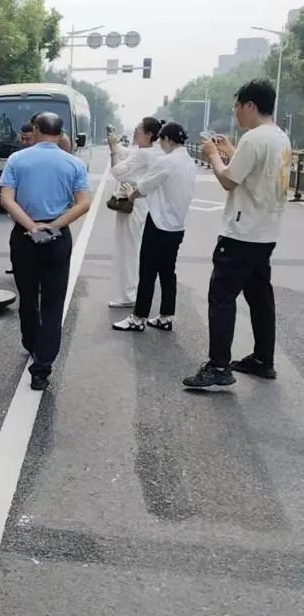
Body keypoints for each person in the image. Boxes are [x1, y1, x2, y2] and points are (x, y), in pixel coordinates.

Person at [183, 79, 292, 390]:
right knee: (260, 297)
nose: (236, 113)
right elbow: (255, 172)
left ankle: (219, 366)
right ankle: (263, 359)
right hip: (266, 232)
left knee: (221, 296)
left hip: (242, 233)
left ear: (250, 106)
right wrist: (231, 150)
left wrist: (212, 155)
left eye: (237, 107)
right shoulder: (279, 137)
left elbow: (229, 180)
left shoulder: (254, 139)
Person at [0, 112, 91, 390]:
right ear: (60, 133)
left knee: (28, 297)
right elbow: (83, 203)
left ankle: (32, 343)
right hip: (57, 236)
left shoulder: (17, 159)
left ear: (37, 129)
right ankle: (42, 368)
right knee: (52, 303)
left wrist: (32, 227)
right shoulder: (74, 163)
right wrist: (52, 227)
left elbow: (6, 199)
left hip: (24, 236)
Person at [113, 123, 196, 333]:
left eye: (161, 140)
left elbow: (144, 186)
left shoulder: (167, 161)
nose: (161, 144)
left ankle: (138, 318)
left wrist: (131, 194)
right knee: (168, 272)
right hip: (177, 225)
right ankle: (165, 316)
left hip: (159, 223)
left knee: (147, 271)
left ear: (167, 139)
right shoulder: (189, 161)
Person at [107, 118, 164, 307]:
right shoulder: (151, 151)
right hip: (142, 204)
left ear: (149, 134)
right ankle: (131, 292)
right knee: (133, 247)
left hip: (133, 204)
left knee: (128, 249)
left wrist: (113, 150)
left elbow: (118, 171)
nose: (135, 131)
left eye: (138, 128)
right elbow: (127, 154)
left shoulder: (144, 154)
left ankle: (128, 295)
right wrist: (115, 145)